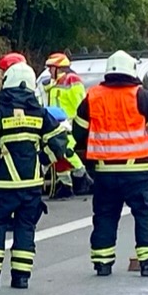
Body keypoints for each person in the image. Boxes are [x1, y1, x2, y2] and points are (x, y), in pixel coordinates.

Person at [73, 51, 148, 277]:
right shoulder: (140, 95)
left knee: (105, 214)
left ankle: (102, 262)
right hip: (136, 170)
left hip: (104, 170)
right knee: (145, 212)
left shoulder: (93, 96)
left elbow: (78, 132)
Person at [0, 62, 71, 289]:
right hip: (31, 185)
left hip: (3, 185)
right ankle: (21, 277)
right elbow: (60, 141)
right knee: (26, 228)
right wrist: (43, 160)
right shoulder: (40, 113)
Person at [42, 55, 91, 195]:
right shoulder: (54, 83)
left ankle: (83, 177)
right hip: (55, 124)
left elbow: (81, 102)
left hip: (69, 124)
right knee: (57, 155)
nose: (49, 71)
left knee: (66, 150)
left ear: (58, 68)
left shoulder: (72, 80)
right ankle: (65, 185)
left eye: (51, 68)